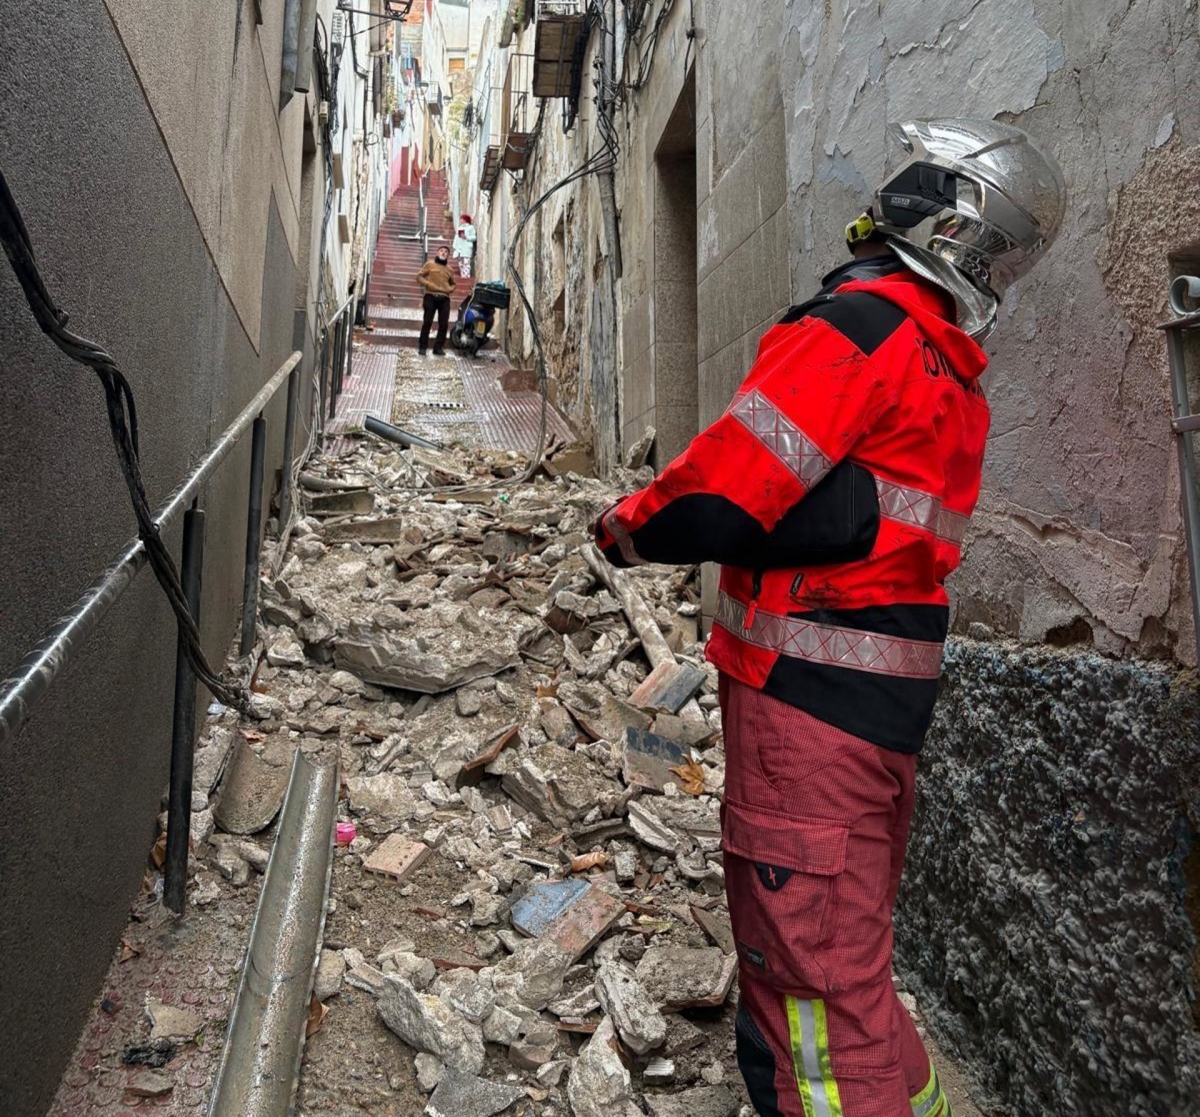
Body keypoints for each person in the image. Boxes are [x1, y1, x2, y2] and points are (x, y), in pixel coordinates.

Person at [592, 119, 1065, 1117]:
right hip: (878, 711)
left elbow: (722, 495)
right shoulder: (946, 370)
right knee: (850, 946)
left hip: (804, 712)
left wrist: (623, 529)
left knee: (812, 981)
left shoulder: (857, 330)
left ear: (922, 210)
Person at [416, 245, 455, 356]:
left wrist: (449, 289)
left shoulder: (450, 270)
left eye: (446, 252)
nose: (443, 253)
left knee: (444, 324)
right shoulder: (430, 264)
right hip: (430, 296)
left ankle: (438, 348)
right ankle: (423, 346)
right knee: (427, 321)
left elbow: (454, 284)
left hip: (445, 298)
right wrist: (428, 284)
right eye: (441, 251)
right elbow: (419, 277)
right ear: (437, 253)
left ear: (448, 255)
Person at [452, 214, 476, 278]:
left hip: (466, 248)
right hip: (459, 249)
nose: (460, 220)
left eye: (462, 219)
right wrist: (454, 246)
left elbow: (474, 237)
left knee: (466, 263)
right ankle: (463, 276)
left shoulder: (470, 228)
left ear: (465, 220)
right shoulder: (459, 228)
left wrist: (466, 237)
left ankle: (466, 276)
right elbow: (456, 238)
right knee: (461, 264)